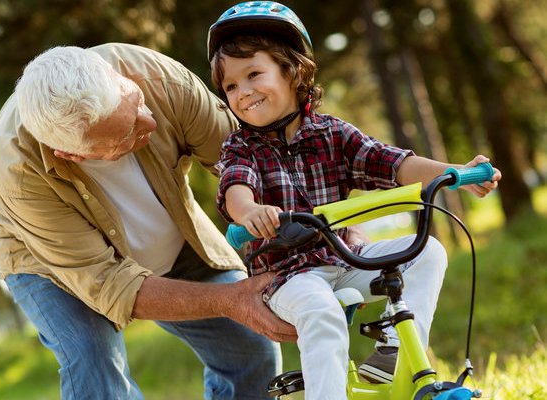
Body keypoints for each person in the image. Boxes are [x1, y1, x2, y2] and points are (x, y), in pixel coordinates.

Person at [207, 2, 502, 399]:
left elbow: (394, 163)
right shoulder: (241, 147)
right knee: (322, 314)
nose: (242, 93)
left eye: (253, 74)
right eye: (230, 86)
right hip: (288, 277)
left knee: (427, 252)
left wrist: (455, 174)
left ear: (293, 71)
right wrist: (251, 212)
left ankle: (393, 348)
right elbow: (235, 189)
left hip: (344, 259)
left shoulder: (333, 132)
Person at [0, 42, 298, 399]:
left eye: (135, 103)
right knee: (94, 365)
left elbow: (253, 164)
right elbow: (113, 285)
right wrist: (228, 299)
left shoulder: (157, 79)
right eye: (126, 134)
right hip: (47, 258)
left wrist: (333, 234)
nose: (150, 122)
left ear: (115, 77)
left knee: (251, 346)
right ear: (71, 154)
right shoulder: (20, 174)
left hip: (167, 230)